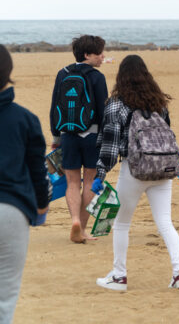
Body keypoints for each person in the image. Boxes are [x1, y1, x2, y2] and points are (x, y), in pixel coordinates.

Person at [91, 55, 179, 291]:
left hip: (134, 170)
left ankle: (119, 276)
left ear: (121, 77)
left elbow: (111, 146)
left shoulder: (116, 104)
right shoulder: (158, 103)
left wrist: (100, 173)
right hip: (162, 170)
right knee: (165, 222)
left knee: (122, 224)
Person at [0, 45, 49, 322]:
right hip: (11, 211)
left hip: (11, 209)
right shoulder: (26, 119)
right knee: (4, 300)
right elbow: (37, 172)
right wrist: (41, 206)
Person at [49, 35, 108, 243]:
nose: (103, 56)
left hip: (68, 135)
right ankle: (82, 229)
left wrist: (56, 136)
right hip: (92, 135)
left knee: (72, 181)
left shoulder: (62, 73)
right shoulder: (97, 77)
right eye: (99, 53)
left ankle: (74, 220)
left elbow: (54, 107)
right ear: (87, 55)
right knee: (90, 180)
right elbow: (103, 112)